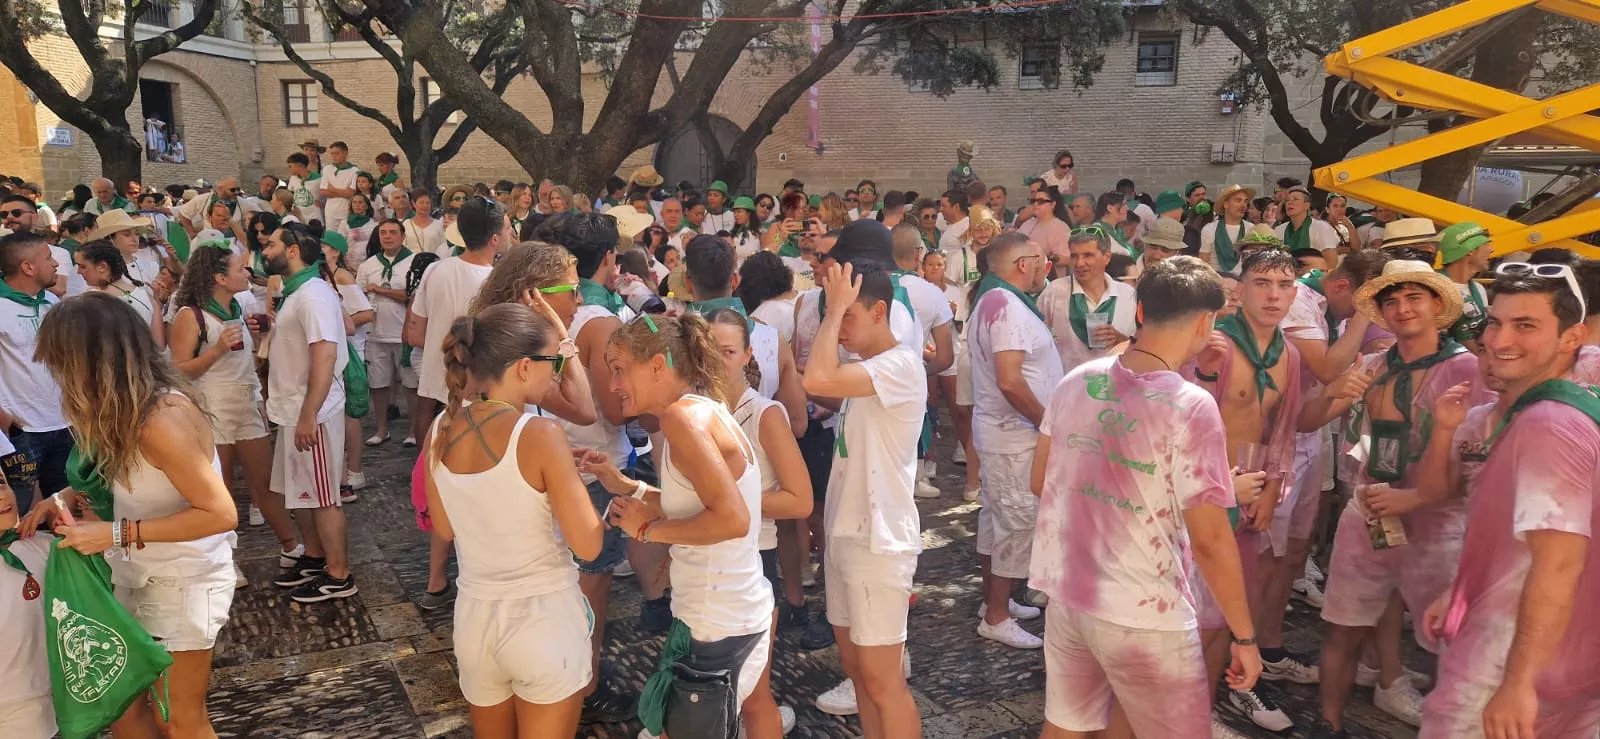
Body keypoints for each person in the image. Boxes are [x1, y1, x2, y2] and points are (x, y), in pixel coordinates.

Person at [1028, 255, 1263, 739]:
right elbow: (1212, 540)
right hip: (1144, 610)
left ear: (1139, 313)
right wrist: (1245, 635)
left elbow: (1042, 481)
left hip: (1069, 595)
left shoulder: (1077, 380)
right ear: (1205, 322)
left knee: (1068, 726)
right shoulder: (1191, 406)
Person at [24, 291, 238, 738]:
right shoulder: (125, 406)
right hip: (137, 572)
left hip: (183, 579)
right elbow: (127, 478)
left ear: (92, 362)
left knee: (177, 717)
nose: (59, 377)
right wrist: (64, 495)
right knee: (122, 704)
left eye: (62, 364)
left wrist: (113, 534)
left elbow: (220, 513)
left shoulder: (160, 419)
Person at [1297, 260, 1485, 736]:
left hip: (1439, 526)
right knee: (1342, 626)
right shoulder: (1374, 366)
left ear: (1437, 305)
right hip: (1370, 514)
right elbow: (1307, 421)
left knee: (1450, 641)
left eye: (1413, 298)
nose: (1402, 309)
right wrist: (1334, 392)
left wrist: (1417, 499)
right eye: (1392, 301)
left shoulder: (1467, 368)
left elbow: (1482, 466)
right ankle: (1328, 724)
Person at [1416, 269, 1600, 738]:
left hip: (1502, 663)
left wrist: (1518, 683)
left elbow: (1558, 565)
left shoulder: (1548, 424)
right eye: (1495, 324)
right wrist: (1462, 592)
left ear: (1571, 337)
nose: (1499, 340)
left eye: (1526, 325)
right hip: (1544, 655)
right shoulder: (1554, 413)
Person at [422, 303, 602, 738]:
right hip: (544, 621)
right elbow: (589, 545)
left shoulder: (440, 428)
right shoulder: (540, 433)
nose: (555, 374)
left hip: (475, 622)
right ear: (524, 367)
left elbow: (445, 529)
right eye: (551, 362)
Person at [596, 312, 779, 739]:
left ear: (658, 365)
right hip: (730, 610)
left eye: (620, 370)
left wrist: (648, 531)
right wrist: (630, 488)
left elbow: (733, 518)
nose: (613, 385)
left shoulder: (681, 419)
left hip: (717, 620)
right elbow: (701, 502)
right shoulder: (705, 409)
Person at [1251, 248, 1388, 689]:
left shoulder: (1329, 305)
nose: (1276, 294)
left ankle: (1268, 646)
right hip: (1273, 440)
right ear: (1346, 286)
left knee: (1293, 551)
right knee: (1266, 556)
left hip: (1309, 431)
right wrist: (1365, 317)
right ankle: (1244, 647)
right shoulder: (1300, 299)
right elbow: (1329, 368)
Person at [800, 261, 926, 739]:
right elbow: (820, 377)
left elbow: (818, 380)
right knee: (859, 673)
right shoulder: (866, 370)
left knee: (882, 679)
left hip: (879, 541)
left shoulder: (900, 364)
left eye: (850, 315)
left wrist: (831, 315)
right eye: (836, 315)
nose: (840, 325)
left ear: (879, 311)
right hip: (848, 535)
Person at [1189, 248, 1304, 735]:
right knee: (1192, 611)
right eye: (1262, 283)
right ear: (1241, 290)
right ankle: (1177, 708)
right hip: (1203, 497)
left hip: (1250, 493)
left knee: (1230, 612)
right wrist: (1207, 371)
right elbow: (1187, 424)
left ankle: (1207, 705)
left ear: (1295, 294)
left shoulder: (1290, 356)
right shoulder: (1216, 346)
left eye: (1283, 285)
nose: (1273, 295)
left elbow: (1284, 428)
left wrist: (1271, 488)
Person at [170, 242, 300, 580]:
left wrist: (260, 338)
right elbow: (178, 369)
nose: (247, 273)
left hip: (244, 402)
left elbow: (246, 361)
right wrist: (217, 350)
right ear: (219, 278)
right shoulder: (190, 314)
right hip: (211, 406)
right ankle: (225, 561)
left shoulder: (238, 308)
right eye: (240, 269)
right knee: (220, 489)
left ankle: (291, 548)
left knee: (266, 482)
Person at [710, 308, 812, 736]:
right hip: (706, 558)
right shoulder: (693, 410)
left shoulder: (766, 414)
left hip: (754, 557)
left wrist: (729, 502)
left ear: (748, 354)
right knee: (713, 683)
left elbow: (800, 501)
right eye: (708, 350)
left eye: (728, 351)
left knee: (753, 689)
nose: (717, 360)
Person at [405, 197, 507, 604]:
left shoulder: (435, 269)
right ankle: (479, 571)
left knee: (442, 484)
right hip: (482, 393)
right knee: (482, 488)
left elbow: (415, 332)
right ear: (497, 237)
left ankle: (435, 578)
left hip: (439, 388)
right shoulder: (498, 283)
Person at [967, 231, 1058, 649]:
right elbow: (1009, 380)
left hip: (1006, 435)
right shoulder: (1004, 306)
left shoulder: (997, 300)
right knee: (1015, 523)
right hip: (1014, 437)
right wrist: (1047, 422)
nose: (1044, 268)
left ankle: (994, 602)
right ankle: (998, 615)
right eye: (1039, 260)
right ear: (1024, 264)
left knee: (997, 518)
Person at [262, 222, 358, 603]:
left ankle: (339, 573)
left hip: (311, 411)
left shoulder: (313, 295)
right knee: (300, 493)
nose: (264, 249)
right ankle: (316, 557)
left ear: (291, 251)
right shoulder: (298, 291)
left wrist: (309, 414)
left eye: (270, 243)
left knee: (323, 495)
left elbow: (326, 354)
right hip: (294, 408)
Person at [0, 232, 67, 515]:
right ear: (28, 267)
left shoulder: (51, 304)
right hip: (21, 431)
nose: (56, 265)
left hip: (64, 425)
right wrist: (4, 419)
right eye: (48, 258)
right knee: (17, 509)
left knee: (62, 507)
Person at [890, 224, 955, 497]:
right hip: (912, 379)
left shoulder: (867, 285)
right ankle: (914, 480)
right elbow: (945, 356)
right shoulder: (932, 294)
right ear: (918, 254)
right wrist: (922, 369)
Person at [0, 460, 56, 738]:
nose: (1, 495)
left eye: (1, 483)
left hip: (29, 707)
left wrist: (64, 501)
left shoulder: (45, 548)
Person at [321, 232, 375, 502]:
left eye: (324, 247)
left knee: (350, 413)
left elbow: (366, 313)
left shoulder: (342, 277)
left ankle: (354, 470)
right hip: (336, 349)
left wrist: (337, 320)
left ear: (335, 251)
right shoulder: (322, 277)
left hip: (350, 351)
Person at [1037, 227, 1136, 372]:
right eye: (1074, 256)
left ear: (1106, 257)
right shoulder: (1055, 291)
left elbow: (1141, 346)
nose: (1079, 263)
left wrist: (1120, 339)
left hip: (1112, 387)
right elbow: (1036, 338)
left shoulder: (1128, 295)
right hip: (1067, 386)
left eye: (1088, 255)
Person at [357, 219, 415, 446]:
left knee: (411, 385)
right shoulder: (368, 265)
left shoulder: (413, 262)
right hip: (375, 333)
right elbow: (359, 296)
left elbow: (412, 295)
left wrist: (380, 290)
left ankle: (413, 430)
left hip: (404, 332)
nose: (387, 236)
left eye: (393, 232)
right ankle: (381, 429)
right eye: (383, 233)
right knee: (378, 384)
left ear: (402, 236)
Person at [74, 241, 165, 349]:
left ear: (102, 267)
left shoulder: (88, 301)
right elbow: (159, 346)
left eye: (83, 266)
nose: (78, 272)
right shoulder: (146, 297)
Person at [1202, 184, 1256, 275]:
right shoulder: (1209, 229)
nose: (1243, 205)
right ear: (1226, 204)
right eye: (1238, 200)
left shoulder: (1252, 229)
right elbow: (1203, 264)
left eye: (1245, 201)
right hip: (1217, 282)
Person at [1275, 187, 1340, 262]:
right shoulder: (1279, 229)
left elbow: (1331, 261)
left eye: (1295, 199)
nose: (1289, 202)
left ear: (1307, 205)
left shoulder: (1322, 227)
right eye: (1287, 200)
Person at [1020, 187, 1071, 266]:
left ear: (1053, 204)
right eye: (1033, 201)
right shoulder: (1029, 223)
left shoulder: (1060, 228)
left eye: (1040, 201)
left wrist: (1046, 259)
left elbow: (1067, 258)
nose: (1035, 204)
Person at [322, 142, 360, 236]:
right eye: (332, 154)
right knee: (331, 237)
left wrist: (332, 189)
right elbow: (323, 191)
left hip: (346, 211)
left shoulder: (354, 171)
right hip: (331, 212)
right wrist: (343, 192)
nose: (334, 156)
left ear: (345, 153)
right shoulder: (327, 169)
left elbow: (351, 193)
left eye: (337, 153)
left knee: (347, 237)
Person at [404, 188, 447, 256]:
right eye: (421, 202)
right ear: (413, 204)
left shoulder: (438, 224)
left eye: (428, 203)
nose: (425, 206)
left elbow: (443, 248)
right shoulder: (406, 224)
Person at [285, 153, 324, 225]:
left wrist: (323, 203)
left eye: (290, 166)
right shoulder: (293, 178)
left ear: (300, 165)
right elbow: (290, 194)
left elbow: (326, 195)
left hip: (314, 216)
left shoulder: (319, 179)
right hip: (298, 216)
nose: (289, 169)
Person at [344, 193, 377, 269]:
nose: (357, 205)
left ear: (366, 206)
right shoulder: (344, 224)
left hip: (369, 263)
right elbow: (341, 244)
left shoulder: (374, 224)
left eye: (360, 202)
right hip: (349, 264)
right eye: (354, 202)